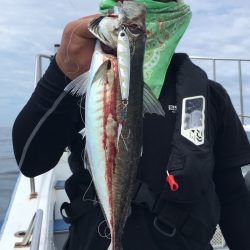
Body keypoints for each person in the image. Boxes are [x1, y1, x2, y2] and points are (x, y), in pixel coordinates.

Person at [12, 0, 250, 250]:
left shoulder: (208, 96)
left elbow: (232, 194)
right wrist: (64, 66)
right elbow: (30, 161)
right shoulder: (85, 87)